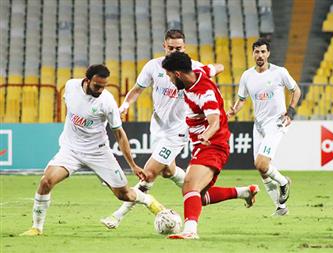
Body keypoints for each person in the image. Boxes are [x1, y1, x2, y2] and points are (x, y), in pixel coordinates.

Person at [20, 65, 164, 236]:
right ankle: (37, 227)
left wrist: (133, 165)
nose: (101, 89)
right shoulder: (71, 86)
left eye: (104, 86)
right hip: (71, 150)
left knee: (124, 195)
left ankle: (149, 200)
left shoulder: (107, 101)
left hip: (98, 152)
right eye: (97, 86)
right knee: (46, 182)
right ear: (87, 81)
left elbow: (119, 134)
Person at [100, 29, 223, 229]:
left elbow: (219, 66)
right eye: (171, 48)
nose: (174, 51)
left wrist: (212, 70)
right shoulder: (153, 66)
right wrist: (125, 105)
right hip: (158, 126)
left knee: (148, 173)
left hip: (178, 131)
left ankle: (118, 215)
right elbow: (137, 90)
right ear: (164, 46)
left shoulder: (193, 68)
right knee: (167, 171)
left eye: (179, 48)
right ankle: (208, 192)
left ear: (185, 48)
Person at [162, 52, 259, 239]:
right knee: (200, 196)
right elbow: (218, 67)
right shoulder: (198, 72)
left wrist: (205, 135)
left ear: (178, 74)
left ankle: (190, 231)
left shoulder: (204, 93)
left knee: (189, 187)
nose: (169, 79)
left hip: (213, 144)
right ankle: (245, 192)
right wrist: (218, 68)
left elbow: (214, 121)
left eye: (169, 75)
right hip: (203, 145)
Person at [227, 38, 300, 216]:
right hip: (258, 125)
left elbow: (296, 90)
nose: (260, 55)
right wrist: (234, 110)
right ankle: (280, 207)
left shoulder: (279, 72)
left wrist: (290, 112)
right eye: (256, 52)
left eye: (263, 52)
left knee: (261, 163)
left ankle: (284, 183)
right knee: (262, 170)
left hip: (276, 123)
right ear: (252, 54)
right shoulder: (247, 76)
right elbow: (242, 99)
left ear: (268, 53)